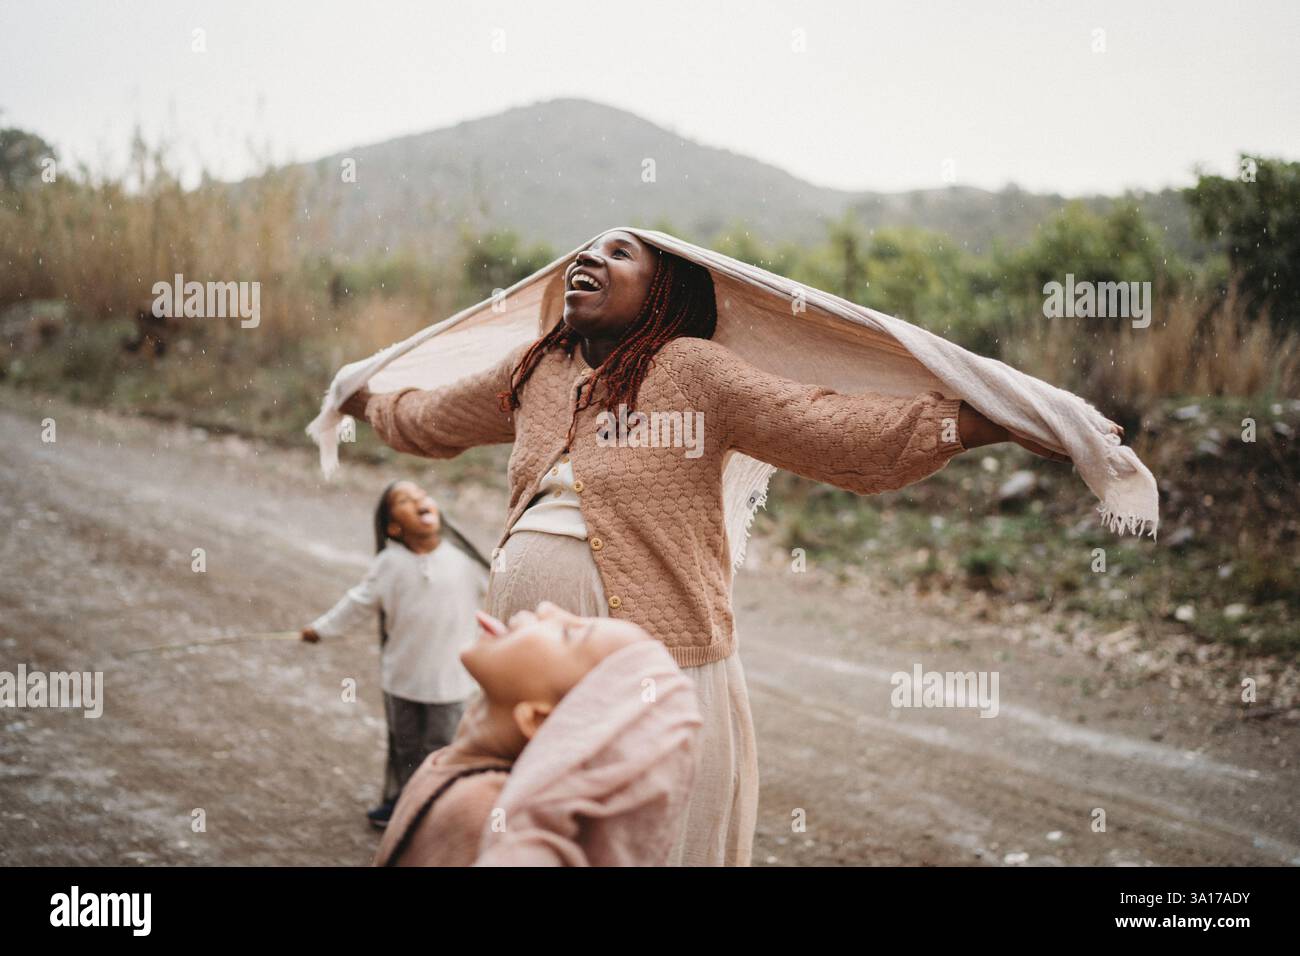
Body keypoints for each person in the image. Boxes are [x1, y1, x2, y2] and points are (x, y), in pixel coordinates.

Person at [339, 229, 1120, 864]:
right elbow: (431, 419)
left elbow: (826, 428)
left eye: (618, 254)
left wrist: (978, 421)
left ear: (664, 294)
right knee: (514, 827)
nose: (589, 258)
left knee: (645, 841)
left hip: (659, 654)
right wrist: (364, 397)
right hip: (531, 660)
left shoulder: (691, 372)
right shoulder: (537, 369)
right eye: (586, 250)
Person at [374, 601, 700, 867]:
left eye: (568, 633)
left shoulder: (484, 819)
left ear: (540, 721)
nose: (546, 608)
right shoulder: (460, 766)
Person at [302, 480, 489, 828]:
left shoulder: (464, 561)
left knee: (442, 749)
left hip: (450, 682)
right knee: (405, 749)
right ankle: (406, 802)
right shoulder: (389, 564)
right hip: (401, 679)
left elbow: (501, 596)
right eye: (405, 500)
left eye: (422, 494)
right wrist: (321, 629)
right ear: (393, 526)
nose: (419, 500)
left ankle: (437, 810)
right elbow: (357, 604)